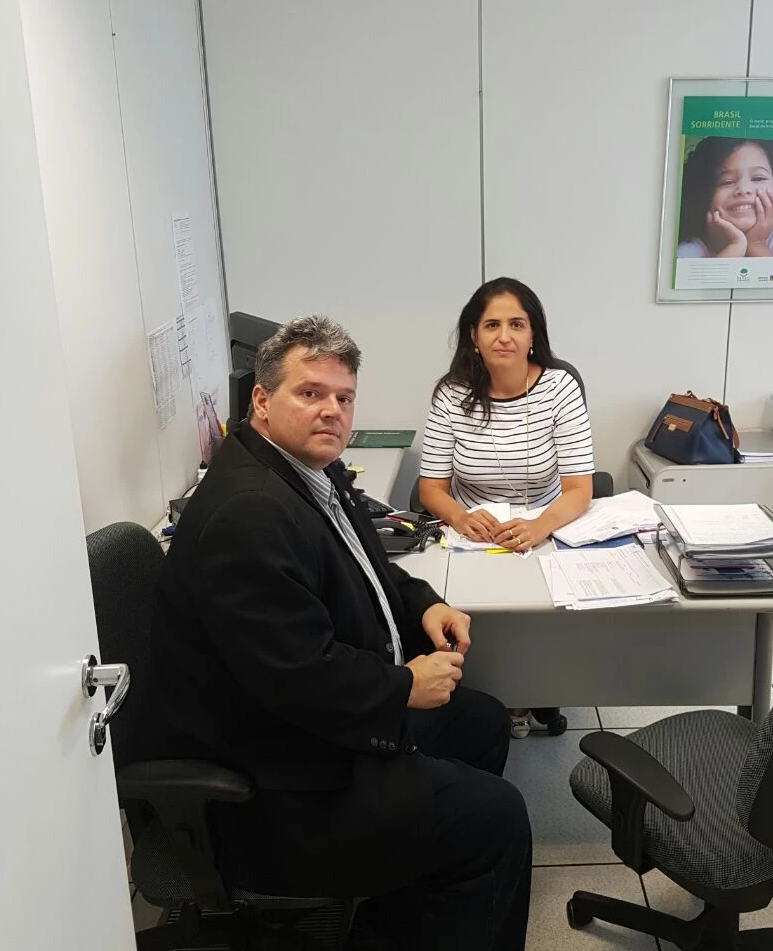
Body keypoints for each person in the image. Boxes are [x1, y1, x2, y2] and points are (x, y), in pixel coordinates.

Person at [149, 316, 531, 951]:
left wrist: (424, 604)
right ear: (262, 400)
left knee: (482, 721)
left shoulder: (305, 472)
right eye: (310, 393)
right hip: (275, 787)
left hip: (313, 726)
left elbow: (370, 566)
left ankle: (405, 899)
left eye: (344, 398)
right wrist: (403, 686)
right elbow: (298, 676)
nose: (332, 410)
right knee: (497, 819)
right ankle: (414, 867)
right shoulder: (250, 514)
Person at [418, 277, 595, 737]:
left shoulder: (559, 388)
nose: (504, 336)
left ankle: (531, 688)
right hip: (475, 538)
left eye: (517, 324)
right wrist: (460, 516)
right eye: (492, 325)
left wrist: (540, 526)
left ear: (533, 333)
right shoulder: (451, 394)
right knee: (479, 620)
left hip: (546, 531)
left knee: (542, 621)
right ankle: (495, 695)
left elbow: (580, 488)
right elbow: (431, 488)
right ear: (473, 336)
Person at [676, 137, 773, 259]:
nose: (743, 189)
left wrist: (757, 243)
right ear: (704, 193)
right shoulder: (689, 251)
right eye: (727, 181)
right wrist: (735, 246)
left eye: (758, 178)